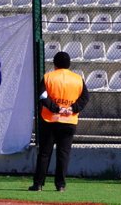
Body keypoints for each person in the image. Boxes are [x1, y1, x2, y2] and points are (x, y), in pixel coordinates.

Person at [31, 51, 89, 193]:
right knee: (63, 154)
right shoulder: (78, 79)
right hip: (69, 120)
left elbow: (43, 96)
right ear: (69, 64)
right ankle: (60, 185)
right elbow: (85, 97)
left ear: (55, 64)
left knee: (45, 153)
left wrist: (56, 108)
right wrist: (72, 108)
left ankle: (38, 184)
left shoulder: (48, 77)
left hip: (50, 120)